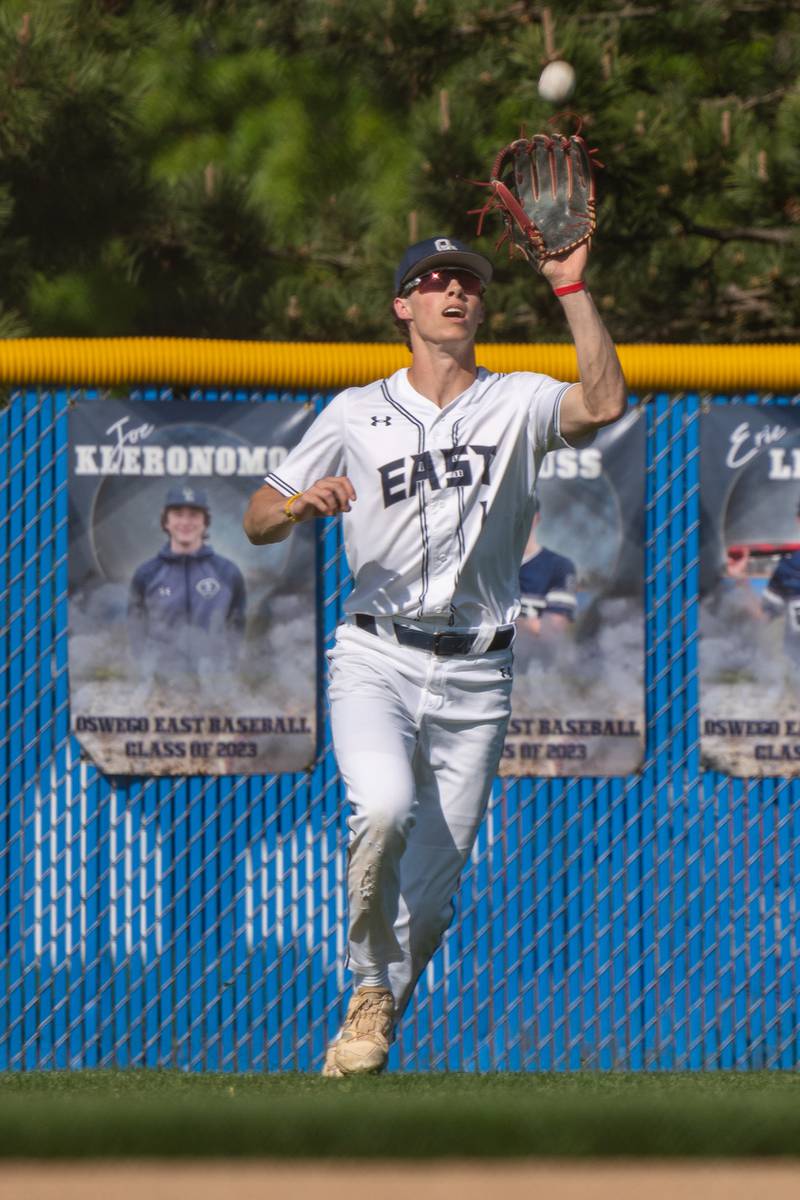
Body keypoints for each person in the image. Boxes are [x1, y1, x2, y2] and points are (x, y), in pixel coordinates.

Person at [243, 233, 627, 1076]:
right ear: (402, 306)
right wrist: (298, 504)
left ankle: (365, 1028)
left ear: (480, 307)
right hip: (375, 653)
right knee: (379, 806)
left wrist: (570, 287)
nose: (454, 290)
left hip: (479, 672)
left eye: (467, 282)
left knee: (435, 891)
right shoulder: (354, 410)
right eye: (433, 280)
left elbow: (601, 404)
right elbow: (256, 518)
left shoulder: (518, 400)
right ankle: (370, 986)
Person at [129, 484, 246, 679]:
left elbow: (237, 626)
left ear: (205, 521)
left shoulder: (227, 572)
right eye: (178, 514)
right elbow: (136, 630)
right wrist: (145, 670)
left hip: (215, 682)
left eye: (194, 514)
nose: (185, 521)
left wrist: (228, 668)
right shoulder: (147, 574)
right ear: (166, 521)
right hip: (162, 683)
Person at [517, 497, 578, 643]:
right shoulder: (489, 567)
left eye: (523, 514)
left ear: (536, 518)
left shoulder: (559, 567)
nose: (516, 521)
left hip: (535, 662)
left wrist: (509, 616)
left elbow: (551, 630)